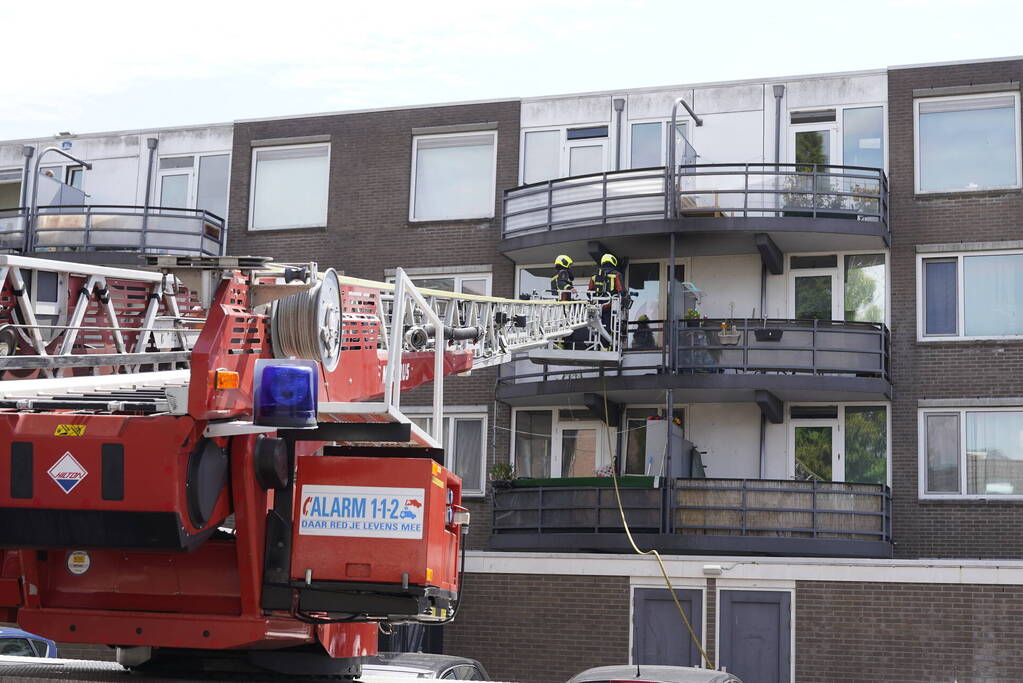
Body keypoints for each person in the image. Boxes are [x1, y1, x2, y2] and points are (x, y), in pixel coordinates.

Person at [588, 253, 625, 345]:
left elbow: (589, 292)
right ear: (612, 261)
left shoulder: (594, 276)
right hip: (610, 306)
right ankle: (608, 345)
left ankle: (596, 344)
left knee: (597, 327)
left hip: (597, 307)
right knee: (609, 326)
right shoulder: (616, 274)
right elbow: (621, 290)